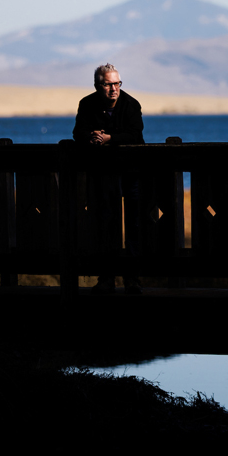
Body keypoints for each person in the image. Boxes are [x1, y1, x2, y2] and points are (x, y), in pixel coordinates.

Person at [73, 63, 145, 294]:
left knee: (134, 225)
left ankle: (132, 279)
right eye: (108, 84)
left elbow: (136, 134)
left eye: (117, 83)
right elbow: (78, 133)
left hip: (131, 172)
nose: (114, 89)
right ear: (97, 86)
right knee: (106, 225)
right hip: (103, 175)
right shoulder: (87, 104)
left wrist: (109, 138)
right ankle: (106, 278)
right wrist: (92, 137)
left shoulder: (131, 104)